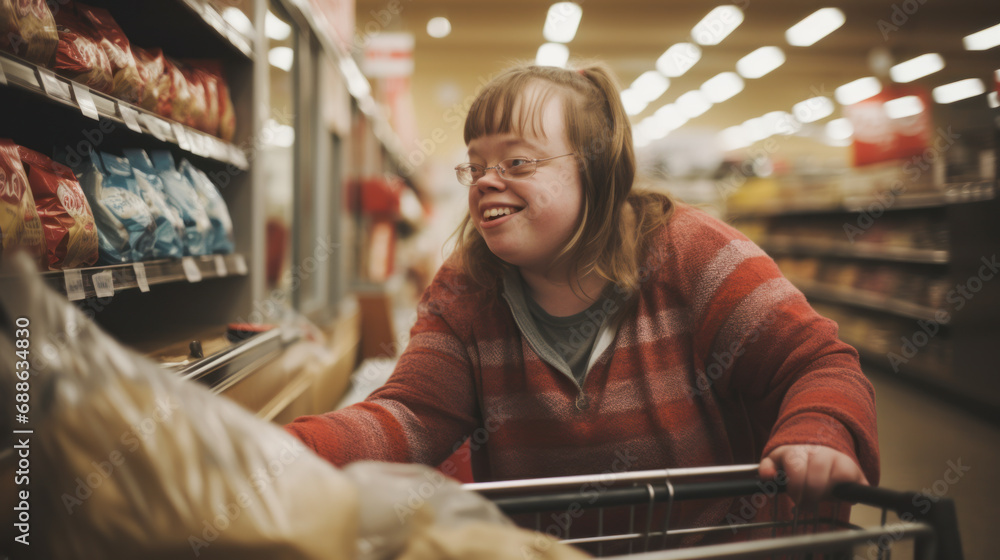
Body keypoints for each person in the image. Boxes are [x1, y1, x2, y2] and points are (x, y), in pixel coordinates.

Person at [285, 62, 879, 540]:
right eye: (475, 165)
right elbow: (414, 415)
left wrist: (818, 430)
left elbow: (817, 363)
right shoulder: (466, 290)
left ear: (595, 170)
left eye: (517, 161)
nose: (487, 179)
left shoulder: (692, 253)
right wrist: (288, 451)